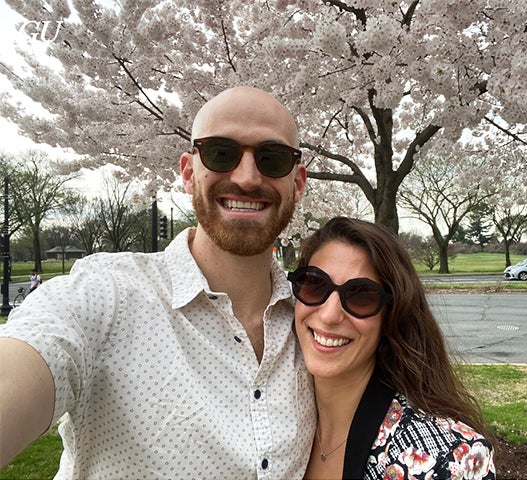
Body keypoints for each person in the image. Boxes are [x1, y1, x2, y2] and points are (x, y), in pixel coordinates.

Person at [0, 86, 316, 479]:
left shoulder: (318, 324)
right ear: (188, 172)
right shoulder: (105, 297)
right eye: (221, 153)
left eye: (273, 158)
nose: (248, 178)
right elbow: (32, 356)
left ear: (298, 182)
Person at [288, 217, 495, 479]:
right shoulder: (270, 416)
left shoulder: (446, 461)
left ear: (392, 316)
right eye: (315, 284)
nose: (329, 315)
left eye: (361, 295)